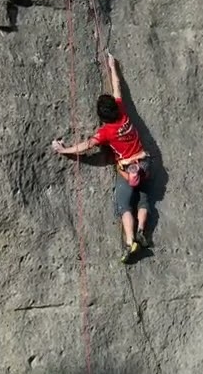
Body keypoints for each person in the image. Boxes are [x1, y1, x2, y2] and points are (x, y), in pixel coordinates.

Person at [51, 53, 154, 264]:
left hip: (127, 168)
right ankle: (143, 230)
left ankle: (130, 241)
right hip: (145, 162)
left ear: (102, 117)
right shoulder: (123, 112)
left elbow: (86, 146)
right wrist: (112, 65)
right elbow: (117, 86)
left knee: (124, 205)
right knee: (143, 198)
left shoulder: (106, 132)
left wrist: (64, 150)